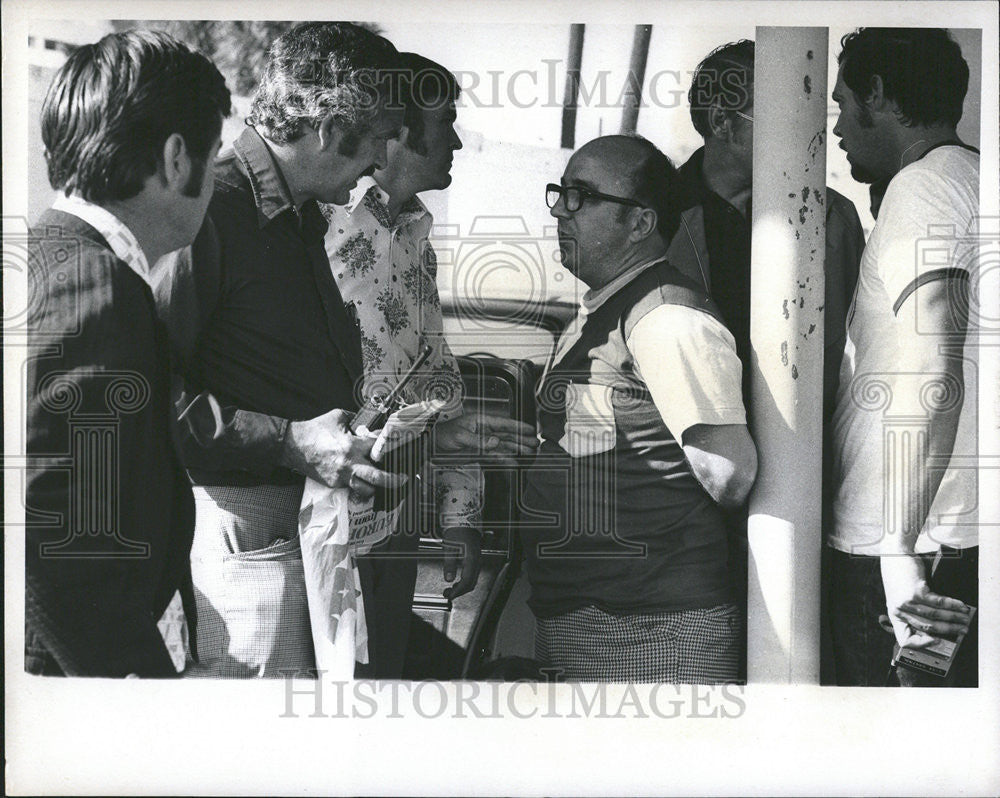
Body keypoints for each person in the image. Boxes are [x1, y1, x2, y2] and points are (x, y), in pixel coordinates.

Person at [152, 22, 409, 678]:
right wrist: (286, 439)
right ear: (328, 131)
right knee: (256, 750)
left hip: (308, 523)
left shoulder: (296, 216)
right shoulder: (210, 211)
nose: (381, 163)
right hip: (249, 527)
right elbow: (145, 393)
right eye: (379, 140)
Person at [322, 52, 538, 677]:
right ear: (398, 130)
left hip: (390, 534)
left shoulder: (413, 231)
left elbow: (438, 385)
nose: (459, 140)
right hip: (322, 534)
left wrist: (462, 519)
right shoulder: (320, 231)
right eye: (446, 121)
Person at [25, 30, 231, 677]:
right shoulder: (98, 285)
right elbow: (59, 536)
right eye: (214, 158)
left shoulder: (45, 258)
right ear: (177, 159)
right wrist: (143, 695)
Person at [521, 135, 758, 683]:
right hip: (597, 619)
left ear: (641, 223)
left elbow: (729, 473)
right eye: (561, 193)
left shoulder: (667, 319)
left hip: (651, 629)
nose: (562, 211)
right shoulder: (609, 306)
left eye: (582, 196)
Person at [828, 27, 978, 686]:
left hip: (910, 547)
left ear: (879, 95)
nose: (836, 129)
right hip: (960, 537)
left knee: (893, 754)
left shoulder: (921, 191)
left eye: (840, 103)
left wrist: (896, 549)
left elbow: (929, 367)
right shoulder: (979, 180)